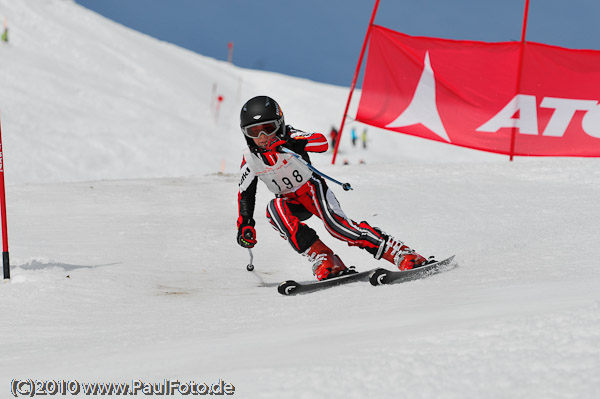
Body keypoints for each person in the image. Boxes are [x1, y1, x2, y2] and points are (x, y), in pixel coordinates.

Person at [236, 96, 427, 281]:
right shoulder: (250, 159)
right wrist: (245, 224)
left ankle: (400, 253)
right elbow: (246, 193)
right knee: (273, 209)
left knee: (338, 227)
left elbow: (322, 143)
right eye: (254, 132)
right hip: (290, 202)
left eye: (268, 129)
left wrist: (290, 143)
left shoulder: (290, 135)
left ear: (280, 124)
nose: (262, 137)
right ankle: (325, 259)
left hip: (312, 190)